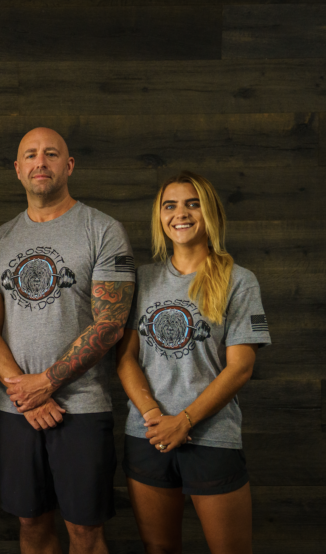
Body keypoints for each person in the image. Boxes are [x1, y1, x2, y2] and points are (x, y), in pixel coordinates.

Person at [0, 127, 136, 554]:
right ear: (18, 169)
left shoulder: (102, 230)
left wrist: (46, 382)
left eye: (51, 154)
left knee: (85, 532)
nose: (40, 162)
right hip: (16, 409)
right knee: (30, 524)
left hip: (81, 407)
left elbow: (111, 323)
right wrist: (24, 393)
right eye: (30, 155)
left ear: (69, 165)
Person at [116, 171, 270, 554]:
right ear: (160, 217)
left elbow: (241, 367)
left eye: (193, 204)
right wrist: (155, 416)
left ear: (210, 212)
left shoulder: (239, 281)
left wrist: (184, 421)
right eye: (170, 206)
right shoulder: (142, 279)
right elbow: (125, 358)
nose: (180, 214)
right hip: (148, 434)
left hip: (211, 437)